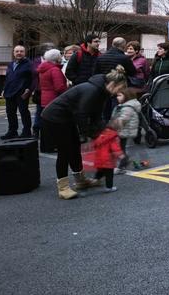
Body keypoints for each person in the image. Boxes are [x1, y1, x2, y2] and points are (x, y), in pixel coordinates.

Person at [42, 66, 128, 199]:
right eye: (119, 89)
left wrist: (103, 132)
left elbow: (97, 116)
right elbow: (82, 115)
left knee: (75, 149)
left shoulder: (102, 92)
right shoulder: (92, 90)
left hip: (68, 118)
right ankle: (63, 188)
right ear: (112, 84)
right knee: (65, 151)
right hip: (55, 118)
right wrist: (90, 135)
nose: (118, 93)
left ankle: (80, 181)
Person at [1, 45, 34, 140]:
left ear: (25, 53)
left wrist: (29, 89)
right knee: (10, 113)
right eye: (17, 51)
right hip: (9, 91)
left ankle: (27, 131)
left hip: (22, 92)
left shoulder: (29, 64)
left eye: (21, 51)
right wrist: (4, 89)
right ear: (14, 53)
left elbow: (34, 79)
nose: (19, 53)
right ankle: (12, 131)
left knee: (24, 112)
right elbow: (8, 78)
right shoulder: (10, 64)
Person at [111, 88, 143, 172]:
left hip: (125, 131)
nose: (117, 97)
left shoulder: (127, 107)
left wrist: (113, 125)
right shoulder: (129, 105)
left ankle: (121, 166)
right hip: (126, 130)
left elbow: (124, 119)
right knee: (124, 148)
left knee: (122, 150)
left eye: (119, 95)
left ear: (127, 97)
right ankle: (133, 162)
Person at [91, 120, 124, 193]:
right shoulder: (113, 137)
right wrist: (120, 155)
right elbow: (115, 147)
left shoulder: (102, 134)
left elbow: (95, 144)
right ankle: (109, 187)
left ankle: (95, 179)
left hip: (99, 158)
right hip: (108, 159)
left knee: (101, 170)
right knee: (109, 174)